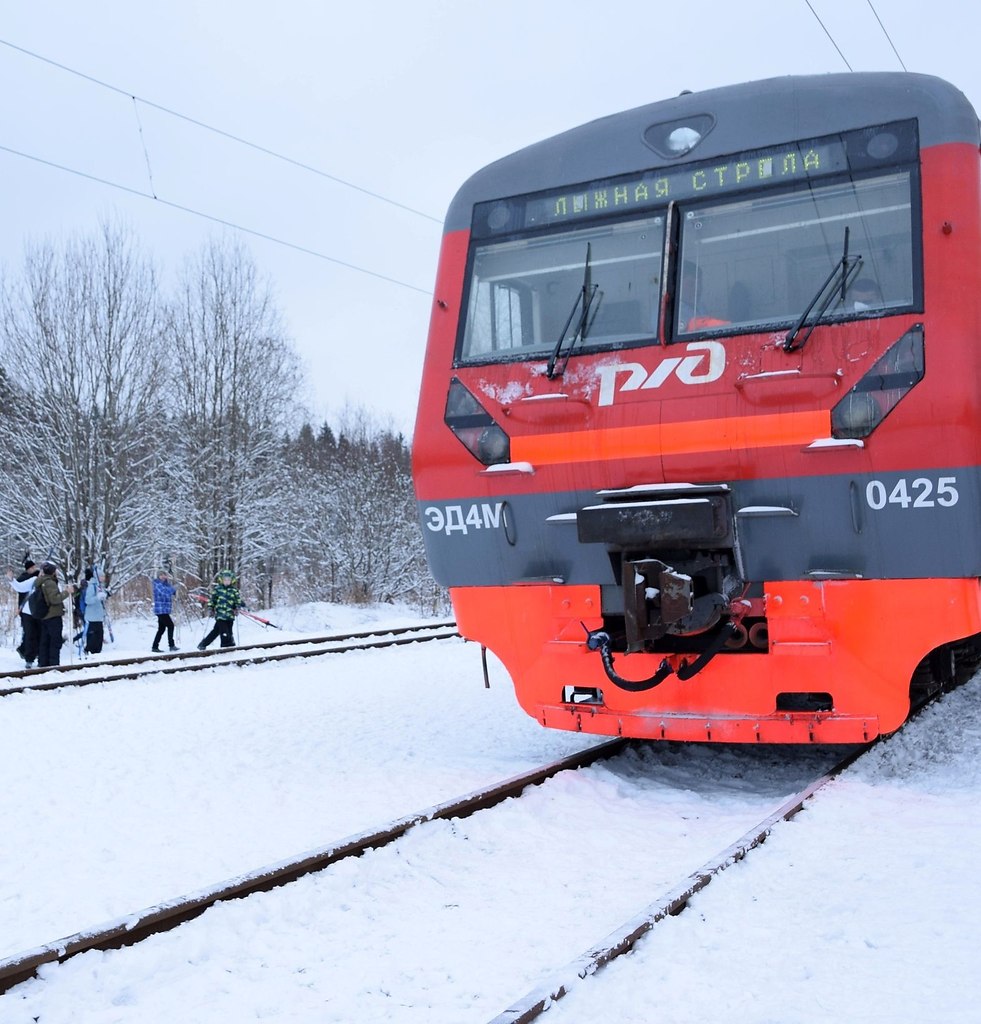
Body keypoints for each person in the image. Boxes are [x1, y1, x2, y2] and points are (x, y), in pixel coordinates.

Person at [35, 561, 75, 668]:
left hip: (44, 615)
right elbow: (54, 599)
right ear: (52, 572)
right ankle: (54, 664)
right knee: (54, 641)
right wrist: (67, 592)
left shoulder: (40, 581)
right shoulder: (50, 583)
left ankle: (43, 663)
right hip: (53, 615)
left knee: (45, 641)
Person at [197, 568, 245, 650]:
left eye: (228, 580)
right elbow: (212, 600)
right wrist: (211, 608)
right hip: (220, 615)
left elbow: (238, 601)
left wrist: (237, 607)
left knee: (219, 631)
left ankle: (204, 643)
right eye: (225, 580)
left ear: (231, 580)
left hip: (230, 615)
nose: (226, 581)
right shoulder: (218, 589)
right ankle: (225, 647)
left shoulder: (234, 590)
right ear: (221, 580)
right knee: (224, 632)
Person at [7, 559, 42, 668]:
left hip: (39, 612)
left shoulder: (43, 580)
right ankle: (29, 657)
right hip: (27, 611)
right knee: (29, 635)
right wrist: (11, 579)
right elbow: (20, 587)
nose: (35, 569)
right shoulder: (30, 579)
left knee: (37, 635)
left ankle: (35, 655)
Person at [81, 566, 109, 655]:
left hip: (99, 616)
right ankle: (88, 651)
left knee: (99, 637)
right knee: (93, 638)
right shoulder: (91, 586)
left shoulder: (100, 586)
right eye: (102, 576)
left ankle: (97, 653)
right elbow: (88, 600)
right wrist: (97, 597)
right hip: (92, 617)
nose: (103, 578)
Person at [152, 569, 179, 652]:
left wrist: (175, 590)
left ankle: (155, 647)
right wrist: (173, 589)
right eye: (161, 575)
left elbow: (171, 591)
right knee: (171, 626)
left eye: (165, 575)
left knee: (161, 629)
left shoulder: (166, 584)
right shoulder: (157, 584)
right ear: (158, 576)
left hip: (165, 610)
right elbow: (165, 592)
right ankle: (171, 645)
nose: (163, 577)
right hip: (160, 610)